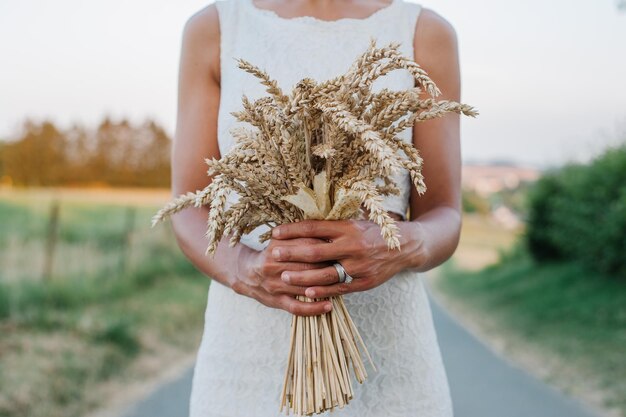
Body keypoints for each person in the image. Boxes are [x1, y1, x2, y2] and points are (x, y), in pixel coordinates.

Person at [171, 0, 462, 415]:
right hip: (245, 360)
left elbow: (445, 213)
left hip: (390, 366)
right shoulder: (214, 28)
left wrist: (398, 246)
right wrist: (244, 270)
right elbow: (187, 203)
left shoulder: (425, 32)